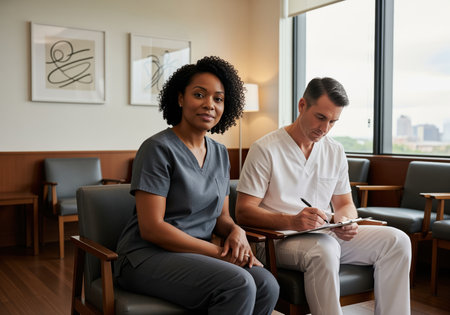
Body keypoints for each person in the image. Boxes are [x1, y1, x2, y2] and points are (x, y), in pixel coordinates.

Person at [114, 56, 279, 314]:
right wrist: (218, 252)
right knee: (238, 284)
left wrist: (236, 231)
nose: (209, 105)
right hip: (145, 256)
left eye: (218, 98)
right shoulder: (157, 149)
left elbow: (221, 217)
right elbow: (152, 229)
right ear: (180, 98)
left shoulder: (221, 153)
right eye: (199, 95)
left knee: (267, 284)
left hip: (195, 255)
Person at [235, 77, 411, 315]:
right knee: (324, 248)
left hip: (324, 234)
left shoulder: (334, 150)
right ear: (302, 105)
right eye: (320, 117)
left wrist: (345, 221)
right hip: (277, 240)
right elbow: (243, 211)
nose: (325, 128)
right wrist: (291, 221)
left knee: (397, 241)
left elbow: (345, 203)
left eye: (333, 122)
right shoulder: (265, 149)